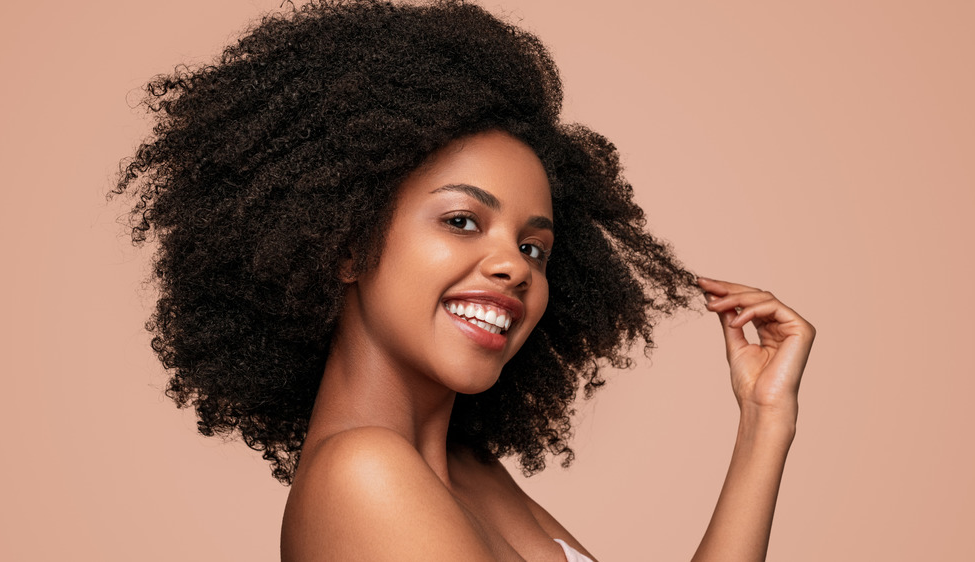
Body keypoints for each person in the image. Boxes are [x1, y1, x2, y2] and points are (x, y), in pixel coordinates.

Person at [113, 1, 815, 560]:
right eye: (461, 221)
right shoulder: (363, 477)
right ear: (345, 244)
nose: (513, 266)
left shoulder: (466, 471)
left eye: (536, 248)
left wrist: (763, 423)